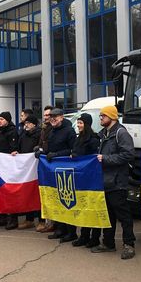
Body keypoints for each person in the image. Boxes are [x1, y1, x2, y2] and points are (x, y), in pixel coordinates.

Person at [93, 106, 136, 260]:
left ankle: (129, 244)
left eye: (103, 116)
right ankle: (108, 242)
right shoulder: (105, 134)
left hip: (117, 181)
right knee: (108, 214)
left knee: (123, 214)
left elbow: (128, 155)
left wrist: (106, 159)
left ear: (111, 116)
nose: (101, 119)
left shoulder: (121, 133)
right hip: (106, 180)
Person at [42, 108, 77, 242]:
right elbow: (49, 148)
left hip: (66, 171)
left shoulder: (69, 131)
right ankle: (60, 229)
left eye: (55, 116)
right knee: (57, 201)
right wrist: (41, 152)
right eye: (51, 117)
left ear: (62, 117)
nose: (52, 119)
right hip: (53, 170)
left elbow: (72, 150)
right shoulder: (51, 131)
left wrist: (57, 155)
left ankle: (71, 232)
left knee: (67, 201)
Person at [70, 113, 101, 248]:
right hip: (80, 178)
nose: (78, 125)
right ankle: (84, 235)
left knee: (92, 207)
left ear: (87, 124)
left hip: (91, 178)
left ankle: (94, 238)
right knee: (82, 207)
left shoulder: (94, 139)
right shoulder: (79, 138)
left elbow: (91, 157)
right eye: (78, 123)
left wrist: (79, 156)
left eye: (81, 123)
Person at [10, 114, 41, 230]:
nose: (26, 125)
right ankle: (29, 220)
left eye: (28, 123)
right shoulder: (23, 135)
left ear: (34, 124)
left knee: (37, 193)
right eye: (25, 123)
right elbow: (19, 147)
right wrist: (16, 152)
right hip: (26, 168)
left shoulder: (39, 134)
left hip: (36, 167)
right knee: (28, 193)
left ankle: (41, 220)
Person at [35, 105, 54, 233]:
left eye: (49, 115)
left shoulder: (55, 129)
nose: (46, 117)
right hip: (45, 162)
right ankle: (47, 221)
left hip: (53, 162)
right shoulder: (43, 128)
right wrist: (38, 148)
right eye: (45, 115)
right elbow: (42, 143)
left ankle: (53, 223)